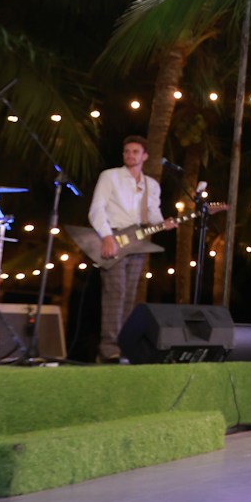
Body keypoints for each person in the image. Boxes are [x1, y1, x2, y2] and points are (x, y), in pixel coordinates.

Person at [88, 136, 163, 362]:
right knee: (116, 292)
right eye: (127, 151)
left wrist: (166, 222)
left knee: (129, 295)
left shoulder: (151, 185)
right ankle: (108, 349)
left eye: (135, 151)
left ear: (145, 156)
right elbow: (96, 209)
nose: (130, 155)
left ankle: (124, 346)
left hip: (137, 242)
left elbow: (153, 215)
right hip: (113, 237)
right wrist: (107, 237)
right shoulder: (110, 176)